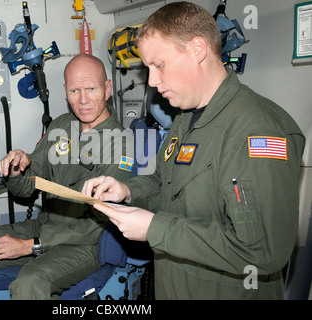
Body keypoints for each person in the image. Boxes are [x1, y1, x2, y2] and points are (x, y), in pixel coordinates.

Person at [82, 2, 305, 299]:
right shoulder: (185, 118)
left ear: (197, 50)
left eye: (158, 65)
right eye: (148, 68)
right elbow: (164, 183)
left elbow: (263, 250)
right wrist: (126, 190)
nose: (152, 81)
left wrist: (154, 229)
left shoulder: (257, 130)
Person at [0, 53, 134, 299]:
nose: (82, 100)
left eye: (91, 88)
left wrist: (31, 245)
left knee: (28, 284)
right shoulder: (61, 126)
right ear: (65, 91)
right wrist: (19, 169)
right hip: (45, 224)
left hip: (85, 243)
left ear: (107, 88)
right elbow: (26, 187)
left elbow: (98, 221)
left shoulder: (122, 143)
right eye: (74, 91)